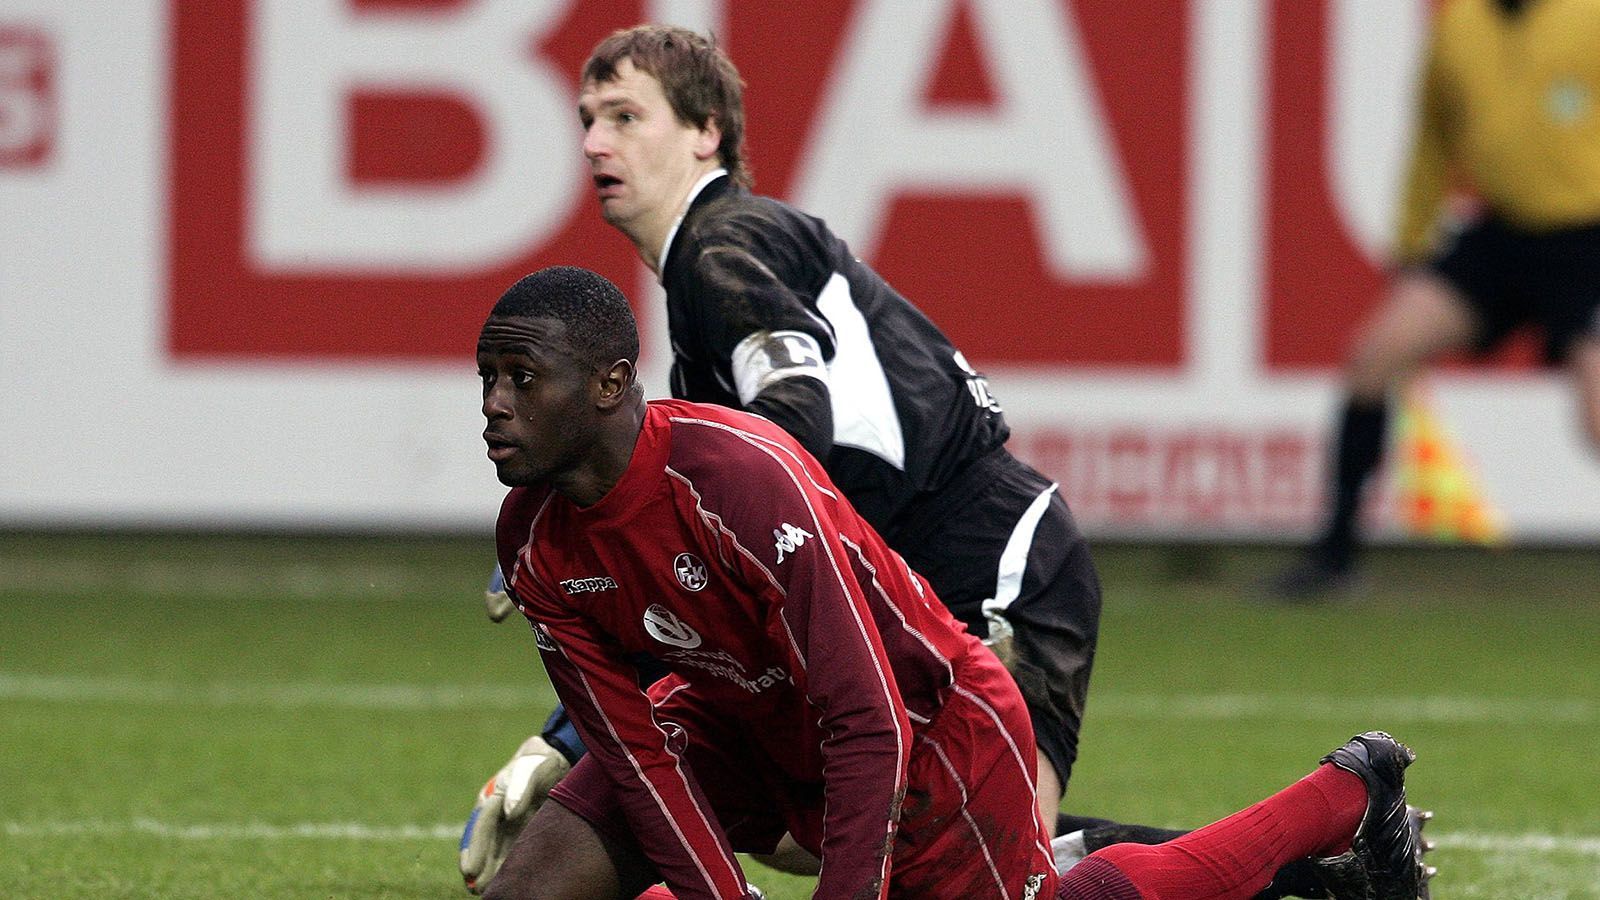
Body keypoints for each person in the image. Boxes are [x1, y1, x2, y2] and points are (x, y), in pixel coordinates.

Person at [471, 265, 1433, 900]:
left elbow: (867, 717)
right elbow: (637, 757)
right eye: (487, 378)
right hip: (738, 727)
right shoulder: (534, 540)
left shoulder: (736, 477)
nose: (495, 406)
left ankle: (1341, 794)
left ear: (608, 384)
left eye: (521, 378)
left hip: (932, 727)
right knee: (531, 889)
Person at [462, 24, 1122, 890]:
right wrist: (571, 730)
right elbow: (702, 570)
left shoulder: (720, 247)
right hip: (924, 562)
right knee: (796, 825)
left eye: (626, 116)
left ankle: (1301, 848)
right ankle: (1304, 858)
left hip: (983, 558)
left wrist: (568, 736)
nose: (594, 141)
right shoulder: (711, 281)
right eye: (587, 119)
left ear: (706, 132)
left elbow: (793, 415)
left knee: (989, 861)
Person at [1270, 0, 1600, 599]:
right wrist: (1411, 242)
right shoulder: (1459, 25)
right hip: (1501, 233)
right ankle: (1334, 560)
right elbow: (1432, 140)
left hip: (1588, 236)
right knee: (1376, 355)